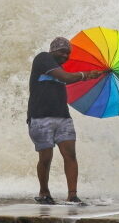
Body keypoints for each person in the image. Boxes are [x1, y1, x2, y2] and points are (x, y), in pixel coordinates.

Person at [27, 37, 104, 205]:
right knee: (46, 158)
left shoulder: (62, 69)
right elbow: (66, 78)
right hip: (40, 117)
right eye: (62, 51)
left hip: (63, 117)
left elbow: (68, 78)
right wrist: (86, 75)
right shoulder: (42, 59)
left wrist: (95, 76)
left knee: (70, 154)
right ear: (53, 50)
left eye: (68, 53)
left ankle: (72, 195)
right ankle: (44, 192)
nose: (65, 55)